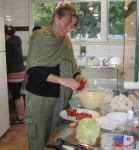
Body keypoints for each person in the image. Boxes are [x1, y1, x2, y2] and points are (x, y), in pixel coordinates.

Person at [24, 2, 88, 150]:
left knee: (54, 139)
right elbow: (32, 70)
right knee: (38, 139)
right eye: (65, 24)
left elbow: (72, 65)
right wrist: (61, 80)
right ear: (56, 17)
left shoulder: (65, 41)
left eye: (70, 27)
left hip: (59, 99)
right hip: (39, 99)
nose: (67, 30)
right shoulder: (39, 37)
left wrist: (78, 77)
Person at [5, 25, 25, 124]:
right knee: (18, 95)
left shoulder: (8, 44)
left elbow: (7, 60)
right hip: (20, 71)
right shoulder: (16, 41)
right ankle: (22, 115)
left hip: (13, 72)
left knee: (16, 95)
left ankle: (20, 117)